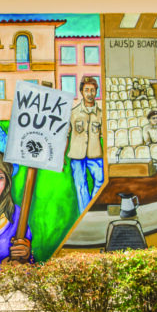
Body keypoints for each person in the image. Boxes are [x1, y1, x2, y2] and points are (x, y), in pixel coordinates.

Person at [67, 76, 104, 214]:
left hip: (95, 155)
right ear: (82, 92)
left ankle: (91, 207)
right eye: (87, 90)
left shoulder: (101, 114)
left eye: (93, 90)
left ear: (96, 92)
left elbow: (104, 137)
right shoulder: (73, 113)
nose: (90, 93)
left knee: (101, 180)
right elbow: (66, 135)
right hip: (77, 156)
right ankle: (85, 214)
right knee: (80, 186)